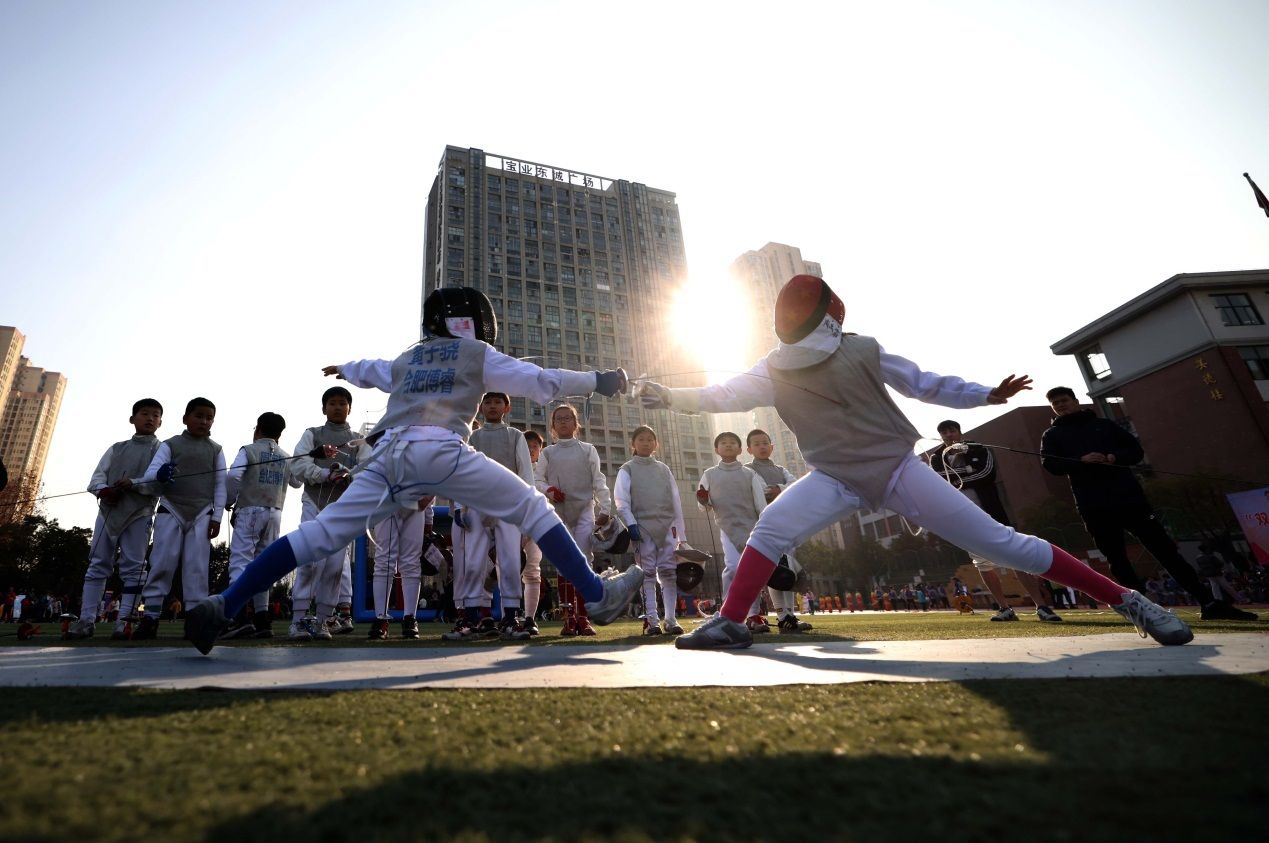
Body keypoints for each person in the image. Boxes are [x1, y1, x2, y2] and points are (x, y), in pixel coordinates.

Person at [637, 274, 1194, 649]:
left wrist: (985, 396)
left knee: (1003, 544)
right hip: (834, 477)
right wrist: (668, 394)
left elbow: (926, 384)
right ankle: (732, 621)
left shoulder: (863, 349)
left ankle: (1130, 601)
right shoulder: (771, 370)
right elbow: (717, 395)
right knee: (770, 528)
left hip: (899, 471)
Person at [184, 287, 644, 655]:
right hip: (442, 450)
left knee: (320, 535)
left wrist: (344, 367)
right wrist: (600, 382)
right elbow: (541, 381)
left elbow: (373, 369)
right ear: (463, 322)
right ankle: (597, 596)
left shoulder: (409, 358)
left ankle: (224, 604)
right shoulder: (476, 353)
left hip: (389, 456)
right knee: (532, 507)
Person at [1040, 386, 1257, 622]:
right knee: (1117, 559)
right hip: (1093, 505)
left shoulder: (1105, 425)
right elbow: (1050, 465)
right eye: (1055, 403)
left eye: (1064, 400)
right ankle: (1140, 610)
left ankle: (1209, 603)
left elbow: (1135, 451)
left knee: (1165, 550)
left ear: (1075, 400)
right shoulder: (1051, 436)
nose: (1061, 405)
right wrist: (1080, 461)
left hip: (1130, 498)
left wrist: (1113, 457)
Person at [930, 419, 1063, 623]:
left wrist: (960, 475)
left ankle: (1042, 606)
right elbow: (939, 481)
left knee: (1016, 557)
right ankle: (1004, 608)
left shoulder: (977, 449)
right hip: (964, 519)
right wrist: (967, 472)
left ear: (959, 432)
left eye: (952, 430)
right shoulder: (937, 457)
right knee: (982, 563)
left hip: (992, 513)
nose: (949, 435)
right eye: (944, 432)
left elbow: (987, 474)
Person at [65, 399, 164, 640]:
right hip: (108, 514)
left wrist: (134, 484)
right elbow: (96, 479)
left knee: (134, 569)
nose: (150, 418)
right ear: (132, 419)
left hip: (139, 515)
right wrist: (104, 491)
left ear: (161, 422)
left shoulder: (161, 449)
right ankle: (86, 621)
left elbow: (160, 484)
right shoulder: (116, 448)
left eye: (155, 415)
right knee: (97, 565)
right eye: (144, 414)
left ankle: (124, 624)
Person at [130, 397, 225, 640]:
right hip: (171, 509)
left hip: (202, 512)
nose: (204, 421)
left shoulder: (216, 449)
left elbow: (220, 486)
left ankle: (194, 620)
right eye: (198, 416)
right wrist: (160, 475)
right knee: (162, 561)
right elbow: (152, 475)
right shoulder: (170, 445)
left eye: (209, 418)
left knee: (197, 566)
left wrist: (217, 517)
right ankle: (150, 617)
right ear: (185, 418)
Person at [287, 386, 373, 641]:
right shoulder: (312, 434)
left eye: (342, 403)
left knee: (335, 565)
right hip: (314, 502)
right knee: (310, 560)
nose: (337, 407)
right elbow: (299, 463)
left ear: (349, 408)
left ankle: (324, 619)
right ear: (324, 408)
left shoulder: (359, 440)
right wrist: (323, 473)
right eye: (332, 403)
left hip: (343, 508)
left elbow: (368, 468)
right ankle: (299, 620)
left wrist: (348, 473)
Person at [452, 392, 534, 641]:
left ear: (506, 407)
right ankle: (471, 618)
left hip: (508, 505)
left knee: (509, 562)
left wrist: (527, 507)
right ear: (481, 407)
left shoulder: (515, 436)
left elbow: (526, 472)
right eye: (487, 402)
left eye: (498, 402)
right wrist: (458, 506)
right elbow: (461, 472)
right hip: (477, 504)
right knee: (473, 563)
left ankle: (511, 618)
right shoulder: (472, 437)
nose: (492, 406)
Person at [534, 403, 613, 636]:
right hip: (558, 513)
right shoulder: (548, 452)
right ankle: (569, 619)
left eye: (568, 418)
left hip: (584, 510)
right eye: (559, 419)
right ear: (553, 425)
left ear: (576, 423)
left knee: (583, 561)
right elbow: (537, 481)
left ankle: (583, 618)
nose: (564, 422)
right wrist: (549, 490)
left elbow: (598, 481)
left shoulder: (588, 449)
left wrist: (606, 507)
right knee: (563, 563)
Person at [219, 412, 292, 640]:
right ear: (279, 434)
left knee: (240, 561)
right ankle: (262, 619)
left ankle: (239, 617)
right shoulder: (285, 456)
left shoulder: (248, 450)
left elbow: (232, 477)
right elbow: (298, 481)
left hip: (250, 510)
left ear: (257, 429)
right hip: (275, 513)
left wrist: (229, 501)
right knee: (264, 565)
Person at [615, 425, 688, 636]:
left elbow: (676, 502)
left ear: (656, 444)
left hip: (666, 528)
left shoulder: (664, 469)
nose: (646, 443)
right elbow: (621, 501)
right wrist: (631, 524)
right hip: (643, 528)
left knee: (668, 573)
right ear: (633, 444)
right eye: (641, 439)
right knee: (647, 574)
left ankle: (671, 620)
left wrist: (681, 535)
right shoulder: (627, 469)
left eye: (650, 440)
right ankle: (652, 621)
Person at [699, 431, 771, 633]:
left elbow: (760, 503)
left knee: (751, 569)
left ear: (740, 449)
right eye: (723, 443)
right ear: (716, 449)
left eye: (733, 443)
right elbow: (703, 505)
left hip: (752, 528)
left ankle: (753, 614)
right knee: (732, 567)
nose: (728, 445)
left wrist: (765, 526)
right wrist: (703, 499)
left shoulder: (750, 474)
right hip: (727, 527)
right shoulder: (710, 474)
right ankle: (726, 612)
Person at [744, 429, 813, 633]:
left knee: (787, 570)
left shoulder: (782, 470)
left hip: (785, 525)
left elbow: (795, 486)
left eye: (765, 442)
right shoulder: (746, 470)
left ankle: (789, 616)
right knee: (772, 569)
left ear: (772, 447)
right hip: (762, 527)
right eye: (756, 444)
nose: (762, 446)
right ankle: (776, 614)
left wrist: (779, 490)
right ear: (749, 449)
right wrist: (767, 492)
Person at [368, 496, 432, 640]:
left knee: (411, 561)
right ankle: (381, 617)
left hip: (416, 499)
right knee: (384, 559)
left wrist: (429, 514)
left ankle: (410, 617)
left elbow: (431, 476)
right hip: (387, 498)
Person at [520, 430, 546, 635]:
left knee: (532, 572)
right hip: (511, 526)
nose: (530, 450)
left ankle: (529, 618)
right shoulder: (512, 470)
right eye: (526, 446)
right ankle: (508, 618)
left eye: (534, 447)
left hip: (535, 528)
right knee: (506, 572)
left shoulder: (544, 473)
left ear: (540, 450)